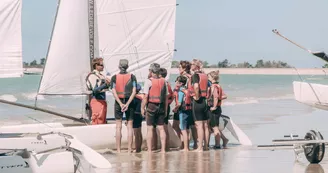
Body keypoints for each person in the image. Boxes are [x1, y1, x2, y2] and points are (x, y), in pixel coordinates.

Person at [141, 63, 168, 153]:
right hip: (161, 106)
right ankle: (163, 150)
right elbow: (166, 97)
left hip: (151, 106)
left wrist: (142, 108)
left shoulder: (149, 81)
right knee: (161, 128)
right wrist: (166, 109)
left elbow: (145, 97)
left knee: (150, 128)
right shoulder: (164, 81)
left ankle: (149, 150)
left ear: (151, 71)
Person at [111, 59, 137, 153]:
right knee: (130, 126)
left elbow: (113, 91)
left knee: (118, 126)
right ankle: (129, 149)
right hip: (129, 102)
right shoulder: (132, 76)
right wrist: (127, 104)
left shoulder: (114, 77)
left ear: (119, 66)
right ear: (127, 66)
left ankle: (118, 150)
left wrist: (121, 103)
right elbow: (134, 91)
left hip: (119, 102)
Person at [190, 59, 209, 152]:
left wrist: (196, 97)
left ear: (196, 66)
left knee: (199, 125)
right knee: (205, 125)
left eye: (192, 64)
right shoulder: (204, 75)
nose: (191, 65)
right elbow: (208, 88)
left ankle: (200, 147)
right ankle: (206, 146)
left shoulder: (195, 76)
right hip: (205, 101)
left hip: (198, 102)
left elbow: (196, 87)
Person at [178, 60, 198, 149]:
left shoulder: (182, 78)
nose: (178, 69)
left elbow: (181, 91)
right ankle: (195, 144)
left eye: (179, 67)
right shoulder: (192, 76)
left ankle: (185, 146)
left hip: (184, 104)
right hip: (192, 104)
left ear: (184, 68)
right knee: (192, 126)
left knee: (184, 127)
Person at [207, 71, 228, 149]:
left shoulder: (213, 86)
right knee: (213, 126)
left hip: (214, 109)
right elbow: (224, 96)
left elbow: (215, 97)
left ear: (212, 78)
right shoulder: (218, 86)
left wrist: (214, 106)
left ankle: (217, 144)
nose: (207, 78)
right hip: (218, 108)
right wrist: (218, 99)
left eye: (208, 77)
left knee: (215, 127)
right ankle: (224, 139)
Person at [86, 57, 110, 125]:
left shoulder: (101, 76)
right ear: (96, 65)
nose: (103, 67)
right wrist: (105, 84)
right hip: (97, 101)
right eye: (101, 65)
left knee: (102, 121)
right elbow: (95, 90)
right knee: (97, 121)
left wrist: (109, 84)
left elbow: (103, 87)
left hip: (102, 101)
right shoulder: (92, 76)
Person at [172, 75, 191, 152]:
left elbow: (179, 103)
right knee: (183, 129)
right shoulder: (186, 90)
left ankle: (186, 148)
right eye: (176, 81)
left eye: (178, 82)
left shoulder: (180, 91)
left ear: (181, 83)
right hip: (187, 111)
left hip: (182, 111)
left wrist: (175, 109)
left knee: (183, 129)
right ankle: (183, 145)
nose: (176, 83)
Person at [159, 68, 173, 151]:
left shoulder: (164, 83)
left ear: (160, 75)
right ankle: (166, 146)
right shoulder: (167, 83)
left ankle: (164, 147)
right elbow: (172, 95)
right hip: (166, 106)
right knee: (165, 127)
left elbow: (169, 96)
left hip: (163, 107)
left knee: (163, 127)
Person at [133, 83, 144, 153]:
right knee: (139, 132)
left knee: (136, 133)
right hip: (139, 115)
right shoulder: (141, 97)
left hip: (135, 115)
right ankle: (139, 147)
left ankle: (137, 149)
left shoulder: (133, 98)